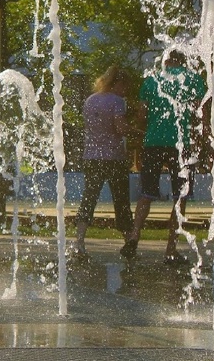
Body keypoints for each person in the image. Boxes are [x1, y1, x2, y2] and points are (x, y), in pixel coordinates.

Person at [121, 50, 206, 264]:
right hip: (180, 143)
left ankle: (134, 236)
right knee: (180, 196)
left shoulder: (151, 80)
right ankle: (170, 249)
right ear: (183, 61)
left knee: (146, 193)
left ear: (166, 61)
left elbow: (142, 114)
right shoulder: (193, 79)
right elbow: (199, 110)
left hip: (153, 142)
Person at [74, 66, 135, 259]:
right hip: (114, 158)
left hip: (91, 157)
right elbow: (120, 128)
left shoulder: (90, 100)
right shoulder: (117, 101)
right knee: (121, 201)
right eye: (125, 87)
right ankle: (128, 242)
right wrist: (138, 132)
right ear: (118, 84)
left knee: (89, 198)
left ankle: (79, 241)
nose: (126, 91)